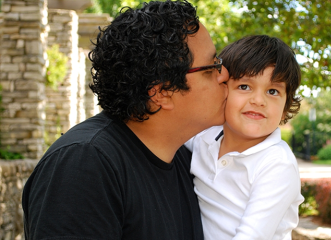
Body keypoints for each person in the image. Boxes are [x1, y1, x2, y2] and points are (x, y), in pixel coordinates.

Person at [22, 1, 228, 239]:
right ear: (162, 92)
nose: (224, 75)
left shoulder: (185, 158)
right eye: (212, 66)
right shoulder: (84, 165)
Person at [185, 35, 305, 239]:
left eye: (273, 91)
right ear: (222, 90)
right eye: (244, 87)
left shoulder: (277, 164)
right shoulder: (204, 137)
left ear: (285, 109)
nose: (258, 100)